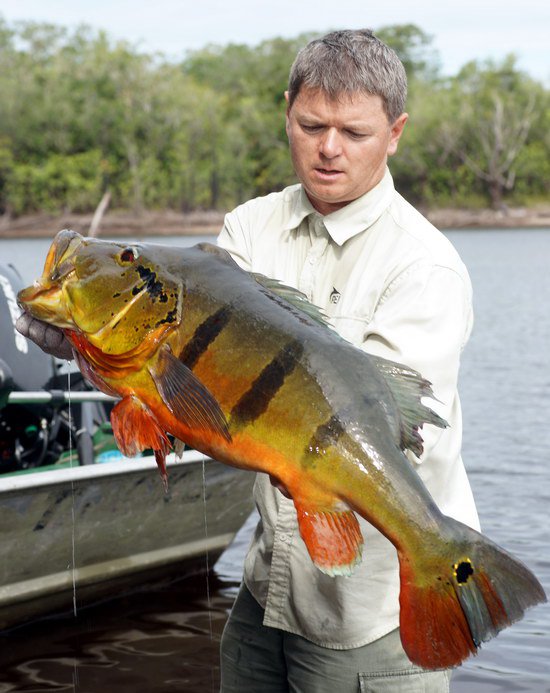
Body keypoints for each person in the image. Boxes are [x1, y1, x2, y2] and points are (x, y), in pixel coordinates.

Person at [17, 29, 479, 693]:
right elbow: (190, 392)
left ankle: (445, 562)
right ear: (286, 109)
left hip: (369, 619)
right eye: (310, 123)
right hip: (266, 592)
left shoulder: (425, 266)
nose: (327, 147)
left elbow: (396, 430)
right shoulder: (249, 229)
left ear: (396, 132)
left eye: (353, 131)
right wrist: (87, 348)